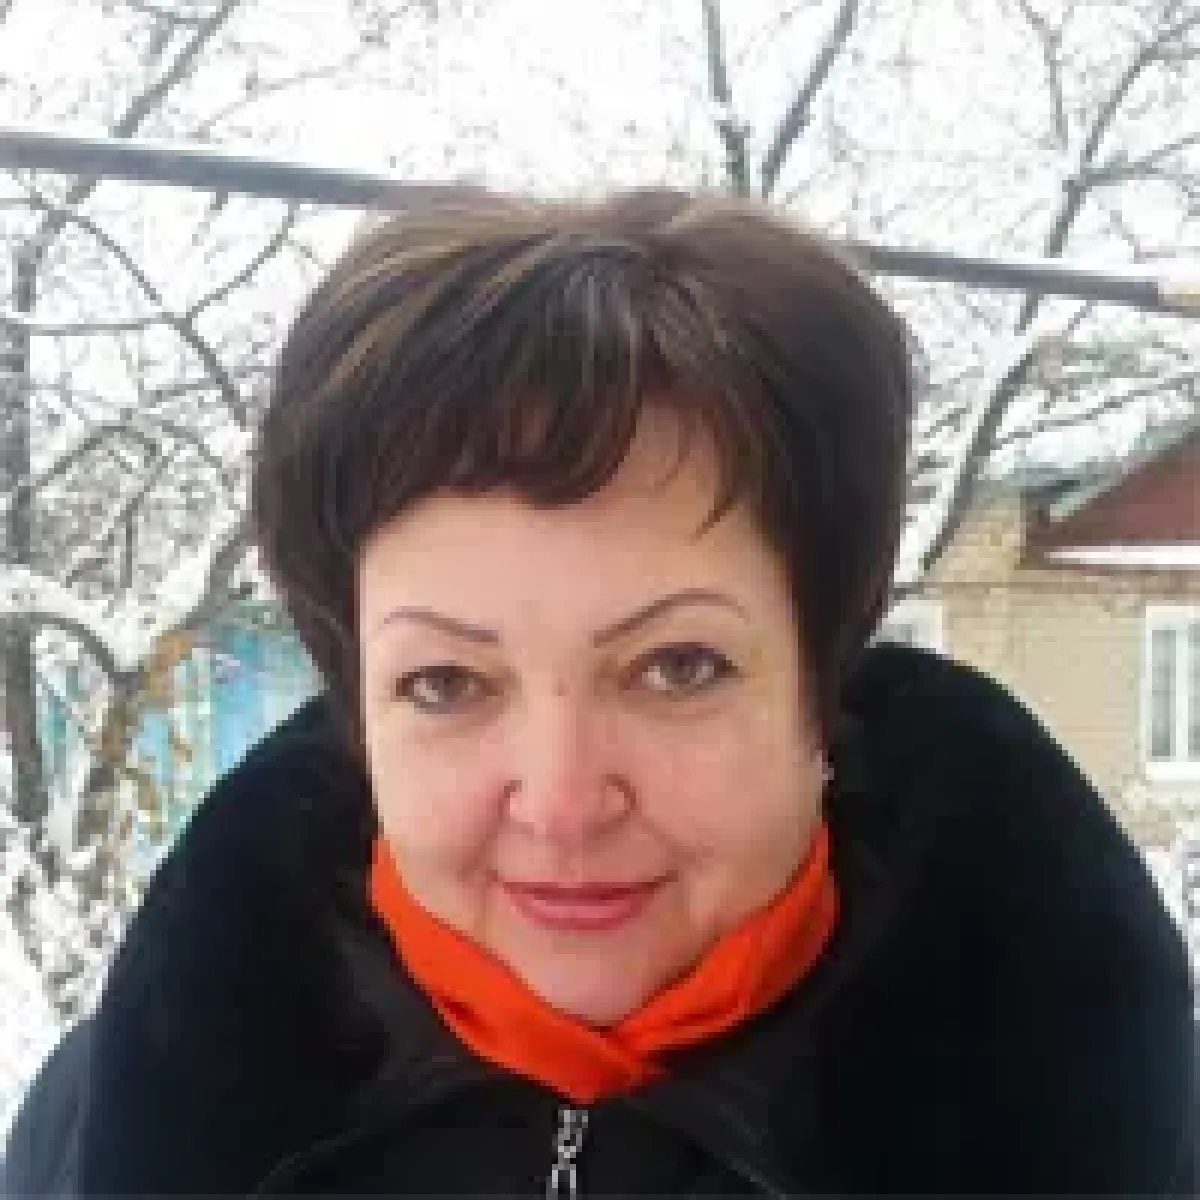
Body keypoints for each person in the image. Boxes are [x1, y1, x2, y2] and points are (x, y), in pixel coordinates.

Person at [4, 188, 1196, 1200]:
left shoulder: (1126, 1132)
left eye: (677, 668)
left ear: (821, 687)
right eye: (447, 682)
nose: (563, 804)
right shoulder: (100, 1137)